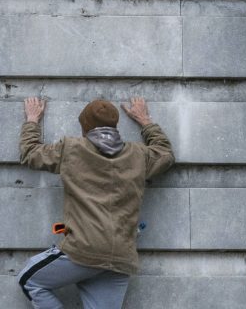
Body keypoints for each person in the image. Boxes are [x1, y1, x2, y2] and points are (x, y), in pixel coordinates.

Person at [17, 96, 173, 309]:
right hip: (120, 257)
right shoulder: (139, 154)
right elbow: (165, 154)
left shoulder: (70, 148)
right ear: (115, 125)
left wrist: (32, 120)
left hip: (82, 251)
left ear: (84, 127)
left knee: (30, 279)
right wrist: (146, 121)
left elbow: (31, 154)